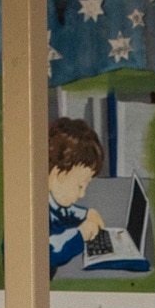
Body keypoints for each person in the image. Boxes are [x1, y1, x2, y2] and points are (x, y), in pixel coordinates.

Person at [46, 118, 107, 275]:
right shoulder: (32, 207)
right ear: (57, 174)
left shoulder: (50, 198)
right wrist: (80, 235)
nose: (82, 194)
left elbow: (63, 212)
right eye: (80, 185)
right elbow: (46, 251)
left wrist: (87, 213)